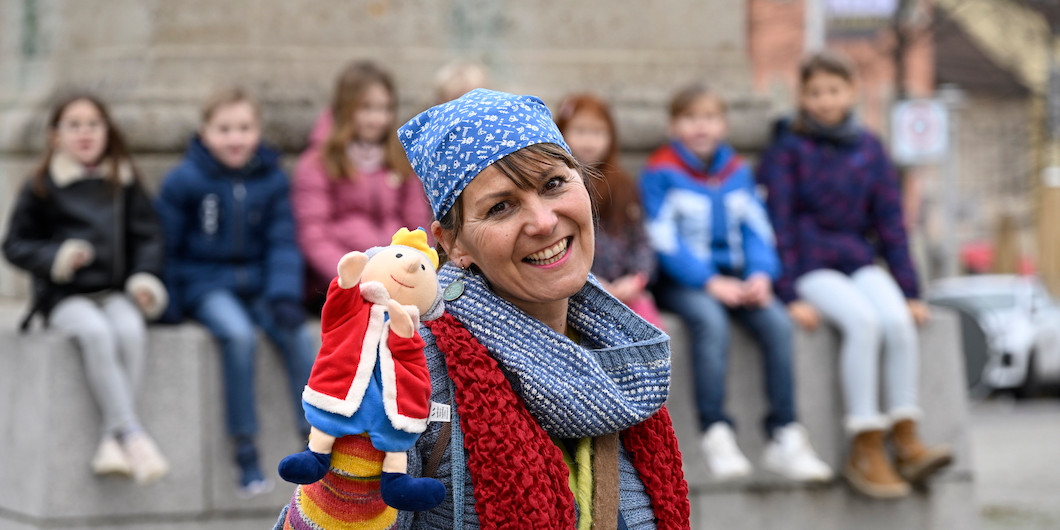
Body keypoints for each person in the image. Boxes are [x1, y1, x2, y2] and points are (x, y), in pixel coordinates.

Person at [277, 89, 690, 529]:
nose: (544, 221)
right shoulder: (408, 367)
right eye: (501, 207)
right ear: (453, 243)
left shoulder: (627, 364)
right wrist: (353, 468)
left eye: (553, 184)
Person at [757, 51, 953, 499]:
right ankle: (864, 446)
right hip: (809, 266)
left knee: (896, 321)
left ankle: (905, 437)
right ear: (802, 97)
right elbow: (777, 224)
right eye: (815, 92)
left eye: (834, 90)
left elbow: (891, 224)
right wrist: (787, 295)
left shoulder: (869, 148)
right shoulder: (787, 150)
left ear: (852, 93)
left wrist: (910, 290)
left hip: (857, 260)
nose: (825, 100)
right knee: (862, 323)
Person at [640, 83, 832, 484]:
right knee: (710, 321)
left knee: (777, 323)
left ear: (724, 125)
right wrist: (709, 281)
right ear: (673, 126)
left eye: (710, 118)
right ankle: (716, 432)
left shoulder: (737, 171)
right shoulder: (660, 172)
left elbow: (757, 227)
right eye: (690, 118)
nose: (701, 127)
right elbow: (663, 240)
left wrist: (761, 273)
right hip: (682, 283)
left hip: (738, 277)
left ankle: (785, 433)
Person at [154, 87, 315, 498]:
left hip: (260, 283)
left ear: (258, 131)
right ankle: (245, 447)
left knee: (295, 333)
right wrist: (168, 298)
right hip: (206, 283)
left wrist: (283, 294)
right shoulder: (185, 180)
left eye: (244, 128)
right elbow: (164, 245)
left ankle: (314, 439)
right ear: (204, 132)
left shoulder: (271, 179)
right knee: (238, 336)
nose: (235, 138)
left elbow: (282, 242)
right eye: (224, 129)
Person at [2, 93, 170, 484]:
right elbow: (15, 245)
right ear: (55, 135)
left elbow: (148, 236)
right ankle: (132, 433)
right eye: (74, 125)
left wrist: (144, 278)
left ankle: (112, 439)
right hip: (63, 297)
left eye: (93, 124)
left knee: (130, 330)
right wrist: (57, 257)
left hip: (115, 292)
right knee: (96, 333)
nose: (84, 133)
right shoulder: (42, 185)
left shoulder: (123, 181)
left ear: (107, 131)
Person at [292, 60, 432, 313]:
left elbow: (417, 226)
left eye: (385, 108)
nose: (377, 119)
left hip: (397, 279)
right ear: (346, 109)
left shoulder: (400, 159)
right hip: (341, 283)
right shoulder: (317, 163)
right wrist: (358, 276)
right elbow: (314, 236)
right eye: (366, 108)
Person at [555, 93, 665, 329]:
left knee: (647, 325)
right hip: (579, 289)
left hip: (626, 288)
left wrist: (636, 278)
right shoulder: (556, 187)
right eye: (580, 131)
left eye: (597, 132)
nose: (589, 141)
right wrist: (590, 280)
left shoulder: (623, 186)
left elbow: (641, 240)